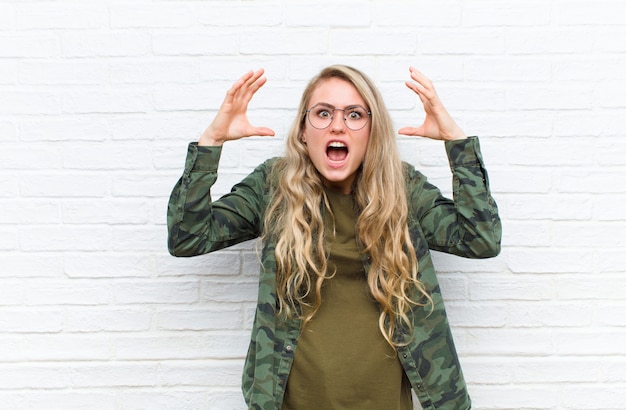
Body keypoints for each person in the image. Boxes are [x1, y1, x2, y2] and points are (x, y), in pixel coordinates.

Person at [167, 65, 502, 410]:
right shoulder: (274, 185)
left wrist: (456, 144)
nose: (337, 125)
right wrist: (211, 142)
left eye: (355, 114)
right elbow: (187, 237)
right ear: (302, 132)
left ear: (372, 132)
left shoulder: (403, 189)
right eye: (323, 113)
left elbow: (480, 239)